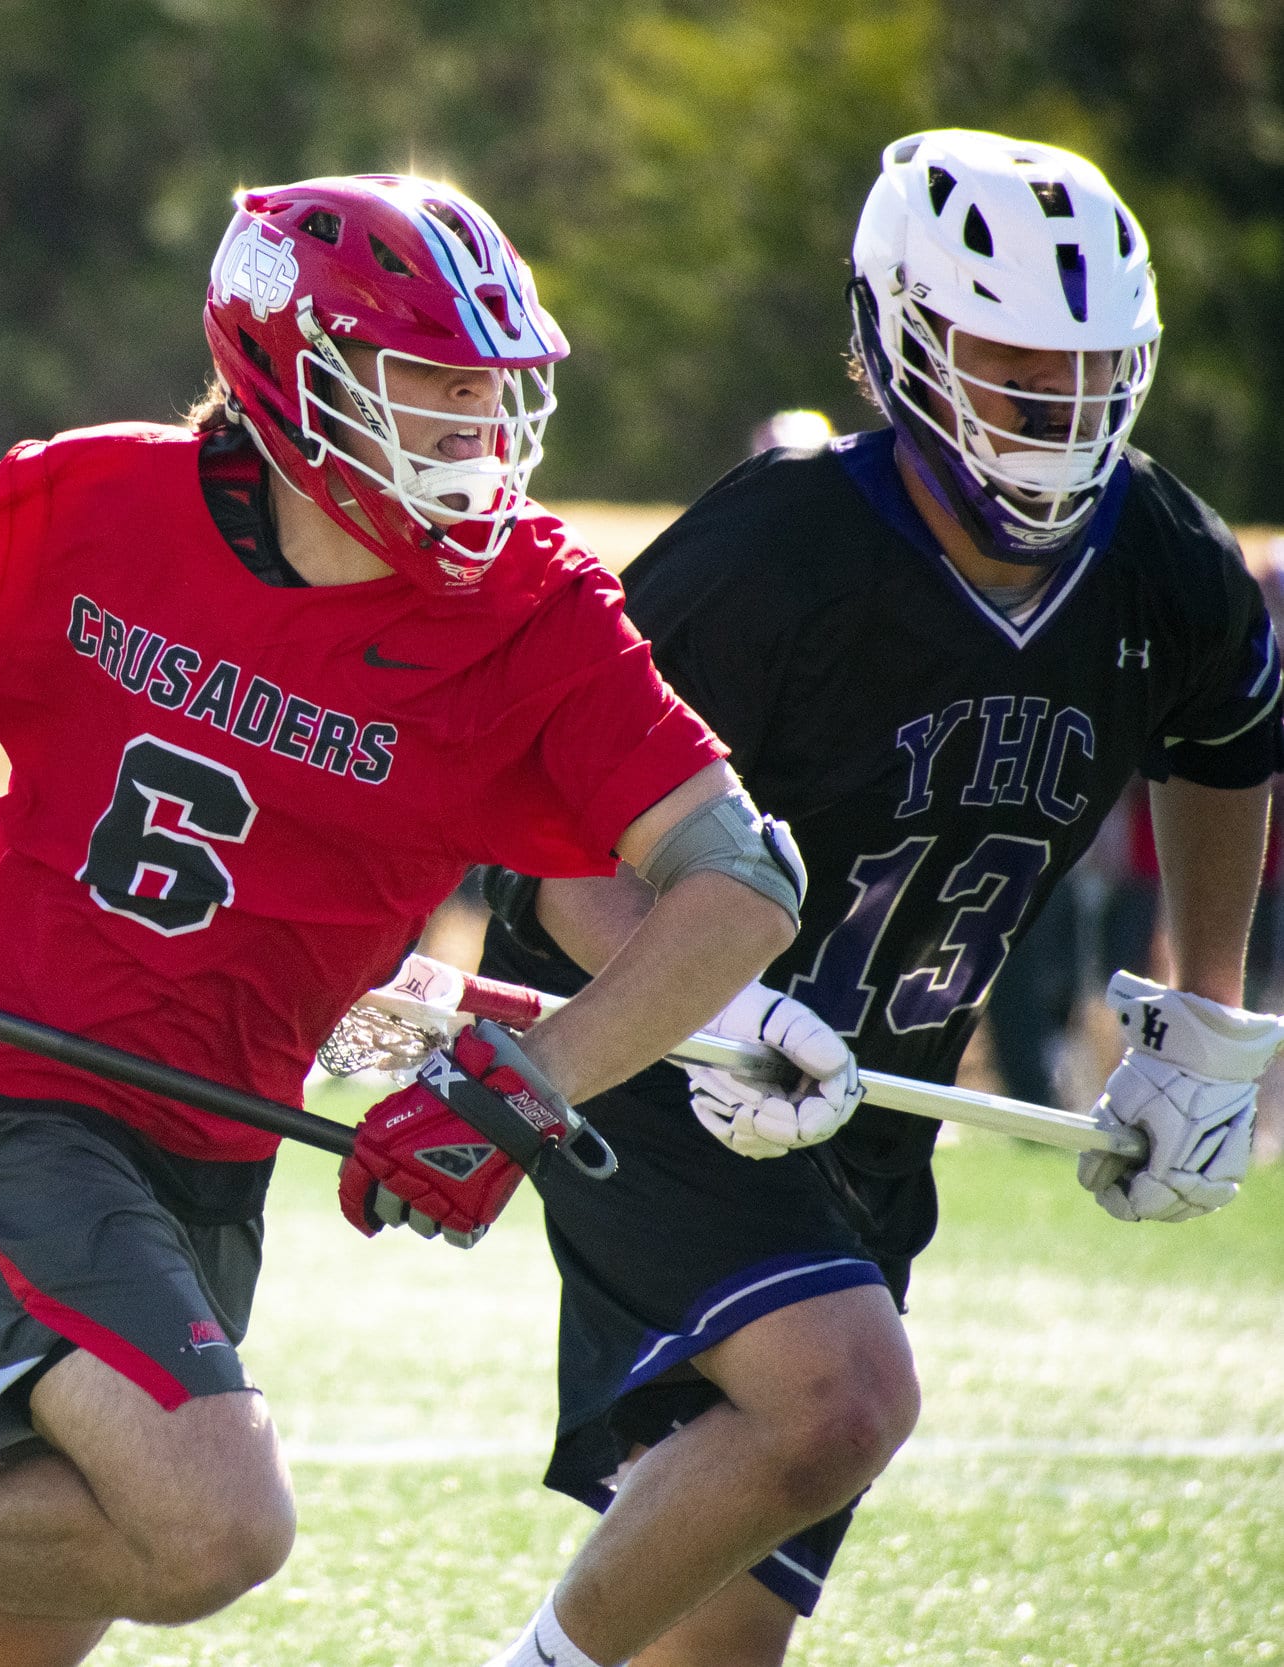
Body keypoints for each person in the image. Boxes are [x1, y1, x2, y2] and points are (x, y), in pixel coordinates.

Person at [0, 174, 805, 1667]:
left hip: (215, 1143)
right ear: (289, 371)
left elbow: (738, 880)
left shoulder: (533, 606)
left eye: (489, 395)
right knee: (220, 1526)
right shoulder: (84, 496)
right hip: (8, 1091)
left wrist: (545, 1073)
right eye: (425, 389)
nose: (469, 437)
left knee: (2, 1642)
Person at [472, 130, 1284, 1667]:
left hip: (874, 1096)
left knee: (722, 1628)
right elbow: (553, 840)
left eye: (1090, 369)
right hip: (656, 1051)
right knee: (849, 1391)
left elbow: (1230, 733)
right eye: (1010, 364)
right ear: (903, 341)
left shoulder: (1161, 552)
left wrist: (1210, 1010)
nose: (1057, 412)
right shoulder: (779, 545)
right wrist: (712, 1005)